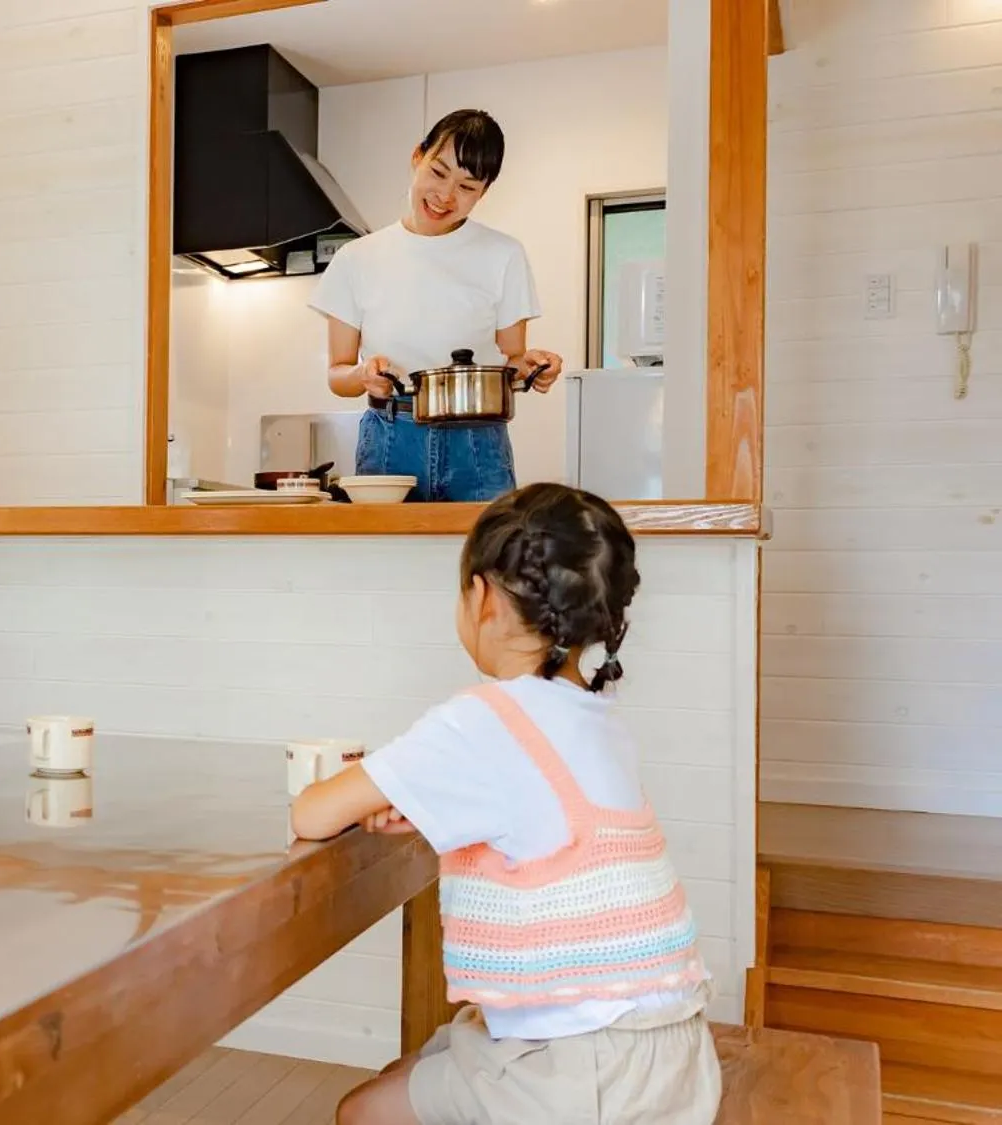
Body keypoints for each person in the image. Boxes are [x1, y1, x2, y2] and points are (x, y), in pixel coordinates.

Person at [290, 484, 718, 1125]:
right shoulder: (598, 716)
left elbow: (314, 813)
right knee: (409, 1073)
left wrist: (369, 792)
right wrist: (423, 798)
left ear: (483, 596)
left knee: (362, 1112)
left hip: (585, 1073)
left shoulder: (483, 720)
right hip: (669, 1055)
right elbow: (531, 812)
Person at [313, 110, 566, 503]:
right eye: (438, 172)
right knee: (388, 564)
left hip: (478, 439)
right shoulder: (355, 259)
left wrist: (532, 368)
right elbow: (337, 373)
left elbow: (512, 362)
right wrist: (364, 374)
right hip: (390, 437)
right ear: (418, 156)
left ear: (484, 192)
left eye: (467, 186)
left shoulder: (504, 255)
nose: (446, 196)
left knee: (489, 560)